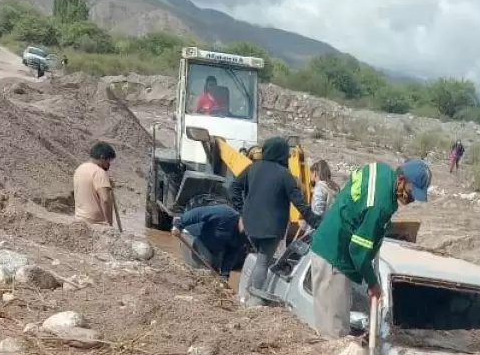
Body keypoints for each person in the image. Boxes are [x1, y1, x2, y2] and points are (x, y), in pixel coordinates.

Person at [309, 159, 432, 339]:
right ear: (401, 180)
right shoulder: (381, 205)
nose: (411, 200)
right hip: (334, 257)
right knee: (334, 334)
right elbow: (358, 251)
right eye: (411, 193)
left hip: (330, 246)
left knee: (331, 330)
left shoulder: (382, 171)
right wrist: (373, 283)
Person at [230, 136, 319, 307]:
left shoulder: (252, 167)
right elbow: (300, 204)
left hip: (250, 225)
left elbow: (234, 187)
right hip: (271, 228)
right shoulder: (285, 175)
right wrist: (317, 222)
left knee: (260, 260)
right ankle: (252, 301)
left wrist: (242, 211)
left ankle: (245, 295)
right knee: (263, 262)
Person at [171, 202, 247, 282]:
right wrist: (178, 225)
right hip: (195, 239)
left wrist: (225, 274)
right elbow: (197, 213)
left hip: (214, 250)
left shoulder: (244, 236)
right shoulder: (225, 213)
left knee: (213, 276)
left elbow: (231, 254)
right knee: (200, 275)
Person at [73, 142, 117, 226]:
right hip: (95, 222)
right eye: (109, 160)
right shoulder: (99, 172)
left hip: (79, 219)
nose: (109, 164)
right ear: (102, 158)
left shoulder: (80, 168)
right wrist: (109, 223)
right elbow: (105, 200)